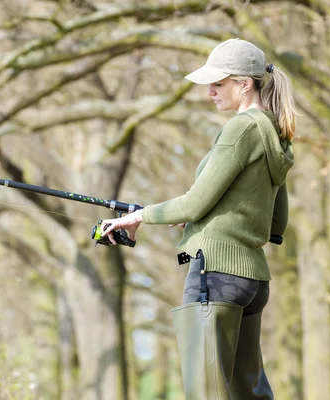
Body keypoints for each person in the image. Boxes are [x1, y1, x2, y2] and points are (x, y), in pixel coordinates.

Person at [101, 38, 295, 399]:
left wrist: (140, 216)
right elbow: (275, 223)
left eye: (218, 84)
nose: (210, 92)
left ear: (243, 84)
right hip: (253, 280)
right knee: (247, 393)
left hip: (215, 275)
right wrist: (204, 220)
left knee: (204, 392)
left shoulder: (240, 130)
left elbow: (193, 203)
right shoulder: (274, 135)